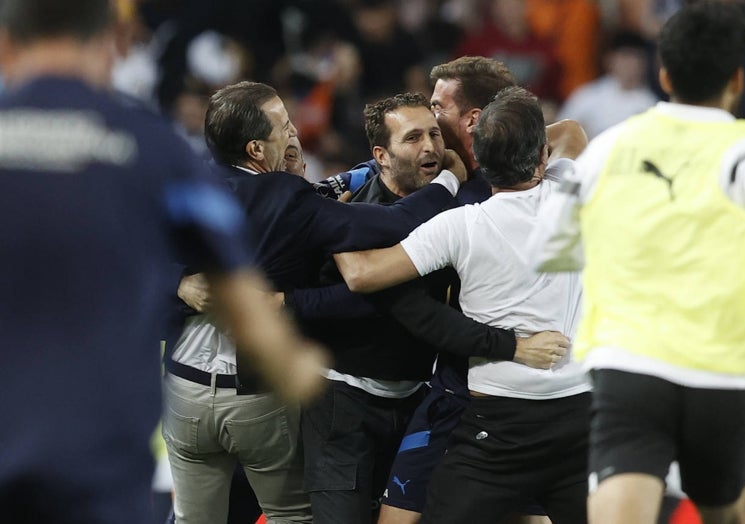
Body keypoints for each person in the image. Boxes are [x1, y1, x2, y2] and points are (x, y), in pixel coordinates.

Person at [0, 1, 326, 523]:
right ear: (114, 41)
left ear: (5, 45)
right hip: (100, 459)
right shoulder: (153, 148)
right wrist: (294, 368)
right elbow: (239, 288)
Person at [166, 80, 468, 524]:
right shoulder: (286, 197)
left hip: (182, 392)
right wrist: (450, 179)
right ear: (255, 149)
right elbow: (393, 222)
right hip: (257, 395)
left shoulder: (178, 181)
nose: (292, 133)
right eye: (283, 126)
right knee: (295, 518)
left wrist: (178, 285)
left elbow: (123, 260)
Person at [527, 3, 745, 524]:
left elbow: (546, 251)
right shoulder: (740, 152)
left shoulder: (608, 148)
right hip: (722, 371)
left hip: (629, 366)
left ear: (664, 72)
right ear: (736, 80)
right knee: (724, 514)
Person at [334, 86, 591, 524]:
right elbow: (571, 131)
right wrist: (517, 140)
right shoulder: (573, 191)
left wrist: (333, 220)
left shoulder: (460, 225)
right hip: (580, 411)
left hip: (499, 422)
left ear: (479, 159)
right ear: (542, 159)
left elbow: (362, 274)